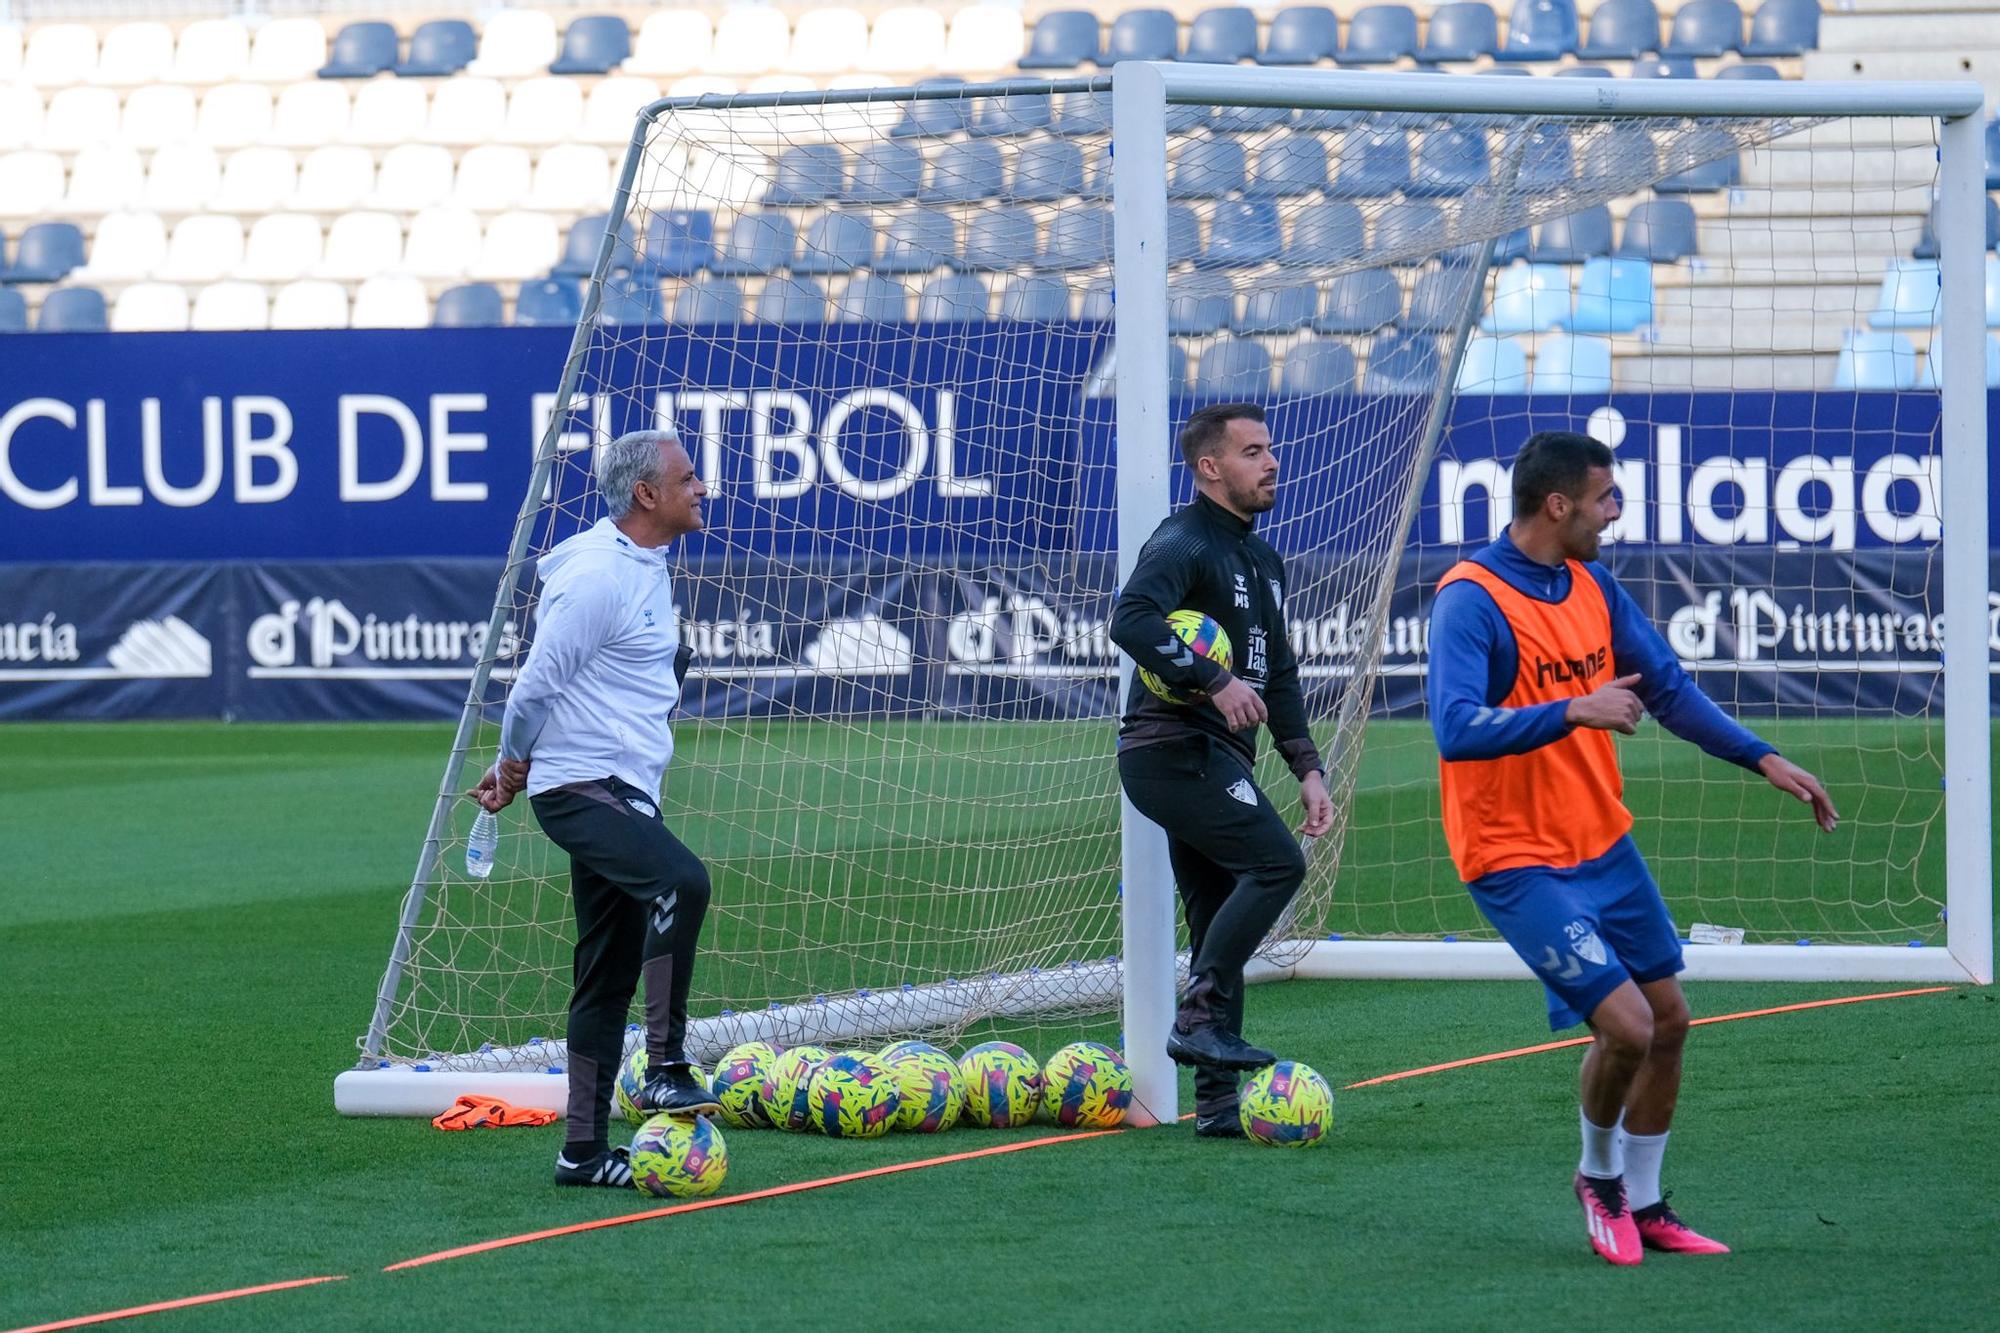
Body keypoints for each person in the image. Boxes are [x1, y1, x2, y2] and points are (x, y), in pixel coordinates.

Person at [1427, 430, 1838, 1263]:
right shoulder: (1469, 597)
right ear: (1557, 505)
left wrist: (1763, 757)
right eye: (1605, 499)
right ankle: (1599, 1178)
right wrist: (1574, 709)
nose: (1614, 514)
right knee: (1627, 1028)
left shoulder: (1594, 585)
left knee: (1672, 1020)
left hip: (1601, 843)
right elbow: (1454, 726)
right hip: (1514, 856)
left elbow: (1671, 692)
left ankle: (1647, 1205)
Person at [472, 428, 721, 1189]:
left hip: (620, 788)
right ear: (647, 493)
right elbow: (534, 687)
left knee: (604, 976)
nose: (701, 486)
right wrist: (514, 764)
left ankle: (581, 1151)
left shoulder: (646, 564)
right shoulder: (595, 576)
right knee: (684, 881)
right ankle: (666, 1066)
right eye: (686, 477)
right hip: (582, 788)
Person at [1110, 402, 1334, 1138]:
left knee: (1215, 918)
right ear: (1210, 467)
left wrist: (1306, 766)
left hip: (1215, 755)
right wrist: (1212, 678)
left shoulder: (1261, 558)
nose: (1271, 462)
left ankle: (1215, 1103)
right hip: (1171, 749)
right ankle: (1197, 1016)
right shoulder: (1184, 539)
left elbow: (1281, 674)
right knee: (1276, 864)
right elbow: (1132, 618)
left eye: (1270, 449)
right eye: (1252, 451)